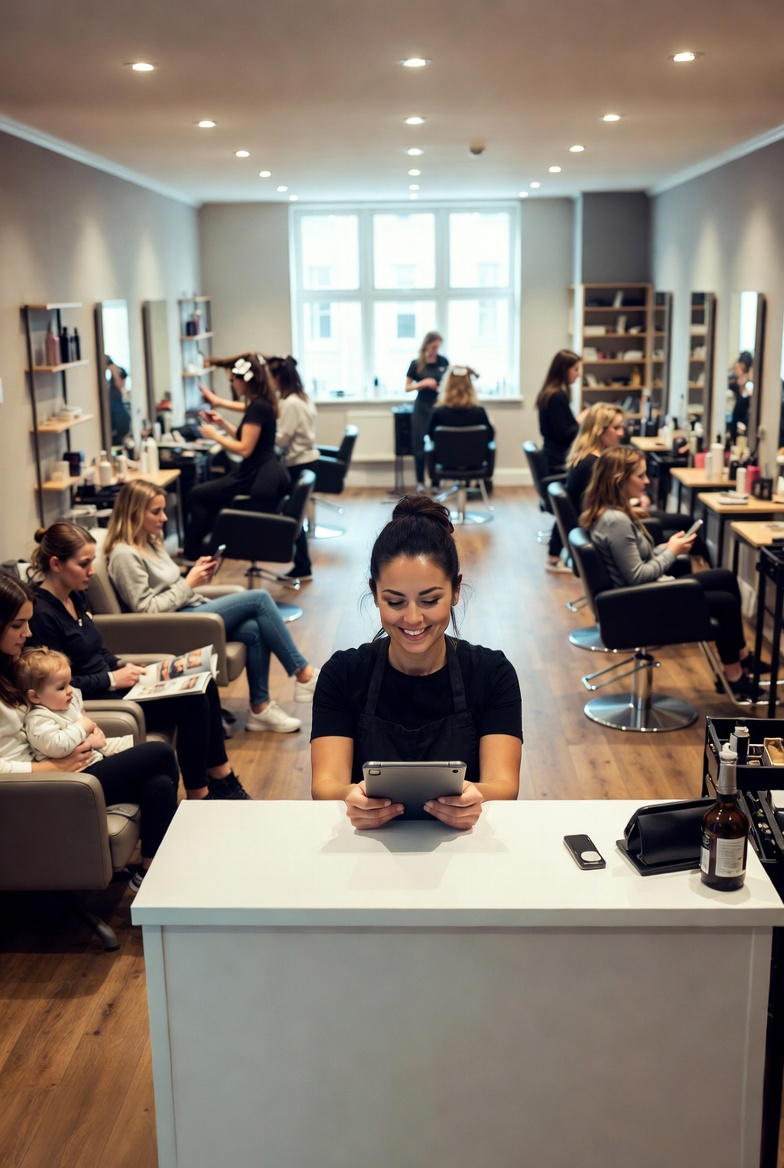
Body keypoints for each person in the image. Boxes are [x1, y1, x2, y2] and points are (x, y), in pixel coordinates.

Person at [311, 495, 522, 829]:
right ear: (374, 591)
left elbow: (504, 786)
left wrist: (472, 796)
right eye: (394, 601)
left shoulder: (491, 674)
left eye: (429, 600)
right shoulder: (342, 674)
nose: (412, 618)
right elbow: (326, 786)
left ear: (455, 590)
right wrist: (351, 796)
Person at [27, 522, 250, 799]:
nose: (92, 572)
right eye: (83, 564)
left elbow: (96, 649)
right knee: (192, 700)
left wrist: (119, 664)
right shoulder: (41, 615)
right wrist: (111, 679)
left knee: (205, 683)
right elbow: (58, 684)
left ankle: (221, 777)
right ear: (56, 564)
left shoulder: (76, 595)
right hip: (97, 698)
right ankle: (199, 793)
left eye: (92, 563)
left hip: (116, 684)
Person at [0, 572, 178, 893]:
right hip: (29, 793)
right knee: (160, 753)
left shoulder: (12, 666)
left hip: (62, 774)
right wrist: (47, 769)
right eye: (17, 625)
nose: (28, 632)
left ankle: (151, 874)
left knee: (159, 785)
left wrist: (76, 722)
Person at [105, 480, 319, 733]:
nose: (164, 518)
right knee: (259, 598)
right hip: (174, 625)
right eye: (155, 512)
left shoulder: (150, 542)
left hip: (189, 611)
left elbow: (169, 588)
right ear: (133, 513)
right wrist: (189, 582)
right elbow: (147, 610)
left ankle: (259, 709)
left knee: (254, 630)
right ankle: (303, 673)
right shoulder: (124, 555)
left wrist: (194, 576)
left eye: (163, 510)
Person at [580, 446, 763, 702]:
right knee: (725, 602)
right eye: (641, 476)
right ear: (619, 479)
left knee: (724, 578)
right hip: (637, 603)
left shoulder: (611, 514)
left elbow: (634, 560)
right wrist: (672, 553)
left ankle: (740, 656)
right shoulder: (616, 521)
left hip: (635, 596)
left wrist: (665, 548)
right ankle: (734, 675)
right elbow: (637, 576)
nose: (647, 481)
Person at [201, 352, 317, 580]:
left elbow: (280, 438)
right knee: (293, 513)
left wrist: (256, 437)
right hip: (298, 460)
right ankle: (303, 564)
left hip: (296, 460)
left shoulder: (289, 403)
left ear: (277, 378)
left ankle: (303, 565)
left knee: (292, 515)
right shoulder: (295, 398)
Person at [184, 353, 290, 560]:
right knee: (205, 494)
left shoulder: (257, 407)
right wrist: (222, 424)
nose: (233, 385)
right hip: (261, 470)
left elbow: (244, 449)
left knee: (197, 494)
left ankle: (194, 553)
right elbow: (248, 438)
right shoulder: (261, 403)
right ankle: (204, 547)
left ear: (244, 380)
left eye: (233, 380)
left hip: (255, 474)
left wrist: (215, 436)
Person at [16, 646, 133, 764]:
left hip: (97, 753)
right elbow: (58, 746)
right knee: (148, 753)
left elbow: (85, 722)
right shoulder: (38, 719)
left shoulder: (64, 705)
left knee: (136, 743)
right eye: (61, 687)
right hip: (81, 770)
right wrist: (84, 728)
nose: (70, 690)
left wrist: (93, 731)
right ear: (35, 696)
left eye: (69, 683)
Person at [535, 349, 586, 573]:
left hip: (554, 457)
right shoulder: (556, 396)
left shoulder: (551, 394)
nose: (578, 375)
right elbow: (564, 433)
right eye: (575, 370)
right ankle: (555, 556)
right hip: (558, 461)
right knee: (575, 498)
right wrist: (580, 421)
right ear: (564, 370)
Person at [405, 331, 449, 492]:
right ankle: (420, 482)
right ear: (427, 345)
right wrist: (423, 383)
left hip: (438, 407)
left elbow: (447, 385)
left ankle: (436, 483)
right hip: (421, 408)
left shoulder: (443, 361)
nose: (436, 350)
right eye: (433, 346)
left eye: (438, 347)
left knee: (438, 444)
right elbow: (407, 387)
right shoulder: (416, 364)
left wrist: (437, 386)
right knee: (419, 446)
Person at [728, 351, 753, 441]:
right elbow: (727, 373)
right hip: (735, 422)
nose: (737, 367)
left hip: (743, 426)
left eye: (740, 365)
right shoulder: (735, 383)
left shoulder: (749, 385)